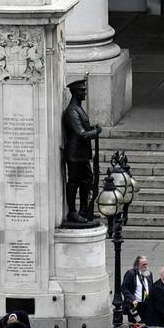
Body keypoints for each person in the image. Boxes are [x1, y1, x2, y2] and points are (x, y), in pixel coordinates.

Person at [61, 79, 99, 225]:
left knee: (87, 181)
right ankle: (72, 212)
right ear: (76, 92)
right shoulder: (71, 111)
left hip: (82, 155)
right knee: (74, 183)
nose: (85, 93)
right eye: (82, 90)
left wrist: (92, 129)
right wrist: (95, 132)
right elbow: (81, 134)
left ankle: (84, 210)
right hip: (75, 155)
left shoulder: (78, 109)